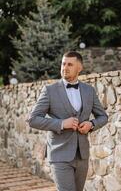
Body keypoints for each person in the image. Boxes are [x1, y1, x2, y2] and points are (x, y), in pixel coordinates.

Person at [27, 51, 108, 191]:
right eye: (63, 63)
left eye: (70, 64)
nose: (65, 67)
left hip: (82, 155)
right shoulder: (50, 90)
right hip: (59, 154)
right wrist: (62, 124)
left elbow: (103, 116)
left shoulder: (89, 90)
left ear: (79, 68)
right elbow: (33, 119)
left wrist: (91, 124)